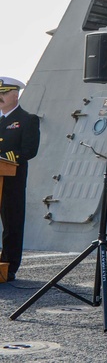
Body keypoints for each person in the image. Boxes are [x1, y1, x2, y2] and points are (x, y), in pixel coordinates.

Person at [0, 77, 40, 282]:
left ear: (15, 95)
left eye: (3, 93)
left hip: (12, 181)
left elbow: (29, 151)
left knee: (12, 222)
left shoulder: (27, 119)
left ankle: (9, 265)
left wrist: (5, 158)